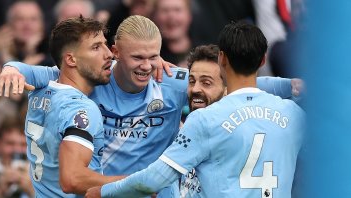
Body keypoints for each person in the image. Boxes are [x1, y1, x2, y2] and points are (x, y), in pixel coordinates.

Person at [0, 16, 300, 198]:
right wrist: (11, 68)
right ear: (115, 53)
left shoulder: (170, 79)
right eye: (138, 58)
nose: (147, 66)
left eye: (153, 56)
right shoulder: (91, 80)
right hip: (107, 193)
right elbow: (44, 73)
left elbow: (229, 82)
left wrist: (290, 86)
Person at [84, 21, 305, 198]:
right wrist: (290, 85)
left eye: (207, 82)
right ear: (263, 60)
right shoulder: (293, 114)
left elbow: (155, 178)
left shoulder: (204, 120)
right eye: (192, 81)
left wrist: (104, 192)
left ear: (222, 60)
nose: (195, 90)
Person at [11, 16, 122, 197]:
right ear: (71, 60)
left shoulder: (39, 90)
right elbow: (72, 179)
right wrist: (135, 182)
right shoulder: (81, 109)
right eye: (96, 47)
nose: (108, 53)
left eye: (105, 44)